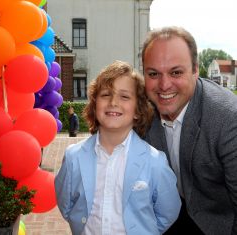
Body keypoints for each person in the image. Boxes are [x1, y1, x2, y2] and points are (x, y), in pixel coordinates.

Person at [55, 60, 181, 235]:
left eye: (125, 96)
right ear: (94, 103)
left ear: (138, 110)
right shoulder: (73, 157)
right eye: (106, 94)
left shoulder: (155, 162)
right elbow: (66, 205)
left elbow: (168, 213)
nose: (113, 102)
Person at [142, 26, 237, 235]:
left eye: (176, 72)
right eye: (153, 73)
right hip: (165, 218)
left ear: (195, 70)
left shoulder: (228, 118)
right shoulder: (139, 108)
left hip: (217, 224)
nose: (164, 85)